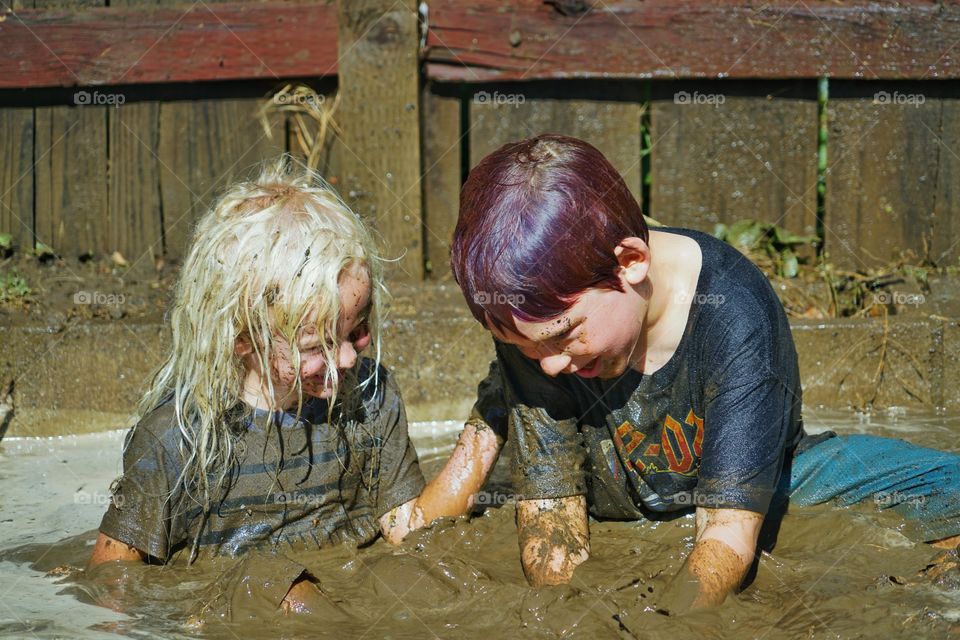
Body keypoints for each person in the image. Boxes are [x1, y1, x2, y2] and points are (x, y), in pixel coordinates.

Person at [450, 134, 960, 614]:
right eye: (525, 347)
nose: (552, 364)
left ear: (631, 262)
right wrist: (573, 617)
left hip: (758, 479)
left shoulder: (734, 314)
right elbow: (550, 516)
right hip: (608, 486)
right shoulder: (538, 313)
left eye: (565, 336)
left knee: (945, 488)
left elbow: (726, 539)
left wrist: (667, 623)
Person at [87, 158, 499, 615]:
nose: (346, 358)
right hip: (243, 600)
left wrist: (490, 421)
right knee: (284, 591)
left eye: (357, 330)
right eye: (316, 345)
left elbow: (409, 529)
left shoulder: (368, 395)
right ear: (243, 338)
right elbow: (113, 584)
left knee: (423, 581)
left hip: (345, 582)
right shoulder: (176, 438)